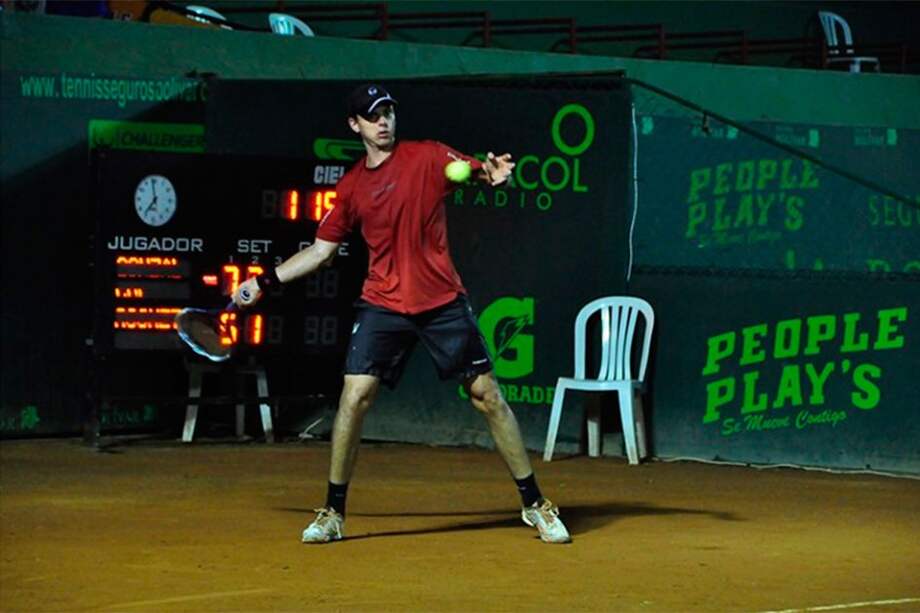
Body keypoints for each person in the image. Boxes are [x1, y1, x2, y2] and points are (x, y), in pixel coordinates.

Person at [234, 83, 570, 544]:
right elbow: (320, 251)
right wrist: (263, 281)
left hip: (441, 301)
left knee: (488, 396)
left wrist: (495, 174)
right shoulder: (352, 186)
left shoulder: (430, 157)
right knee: (354, 397)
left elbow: (484, 174)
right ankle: (332, 512)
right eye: (373, 115)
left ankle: (534, 503)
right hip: (383, 303)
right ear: (356, 125)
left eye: (389, 112)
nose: (384, 121)